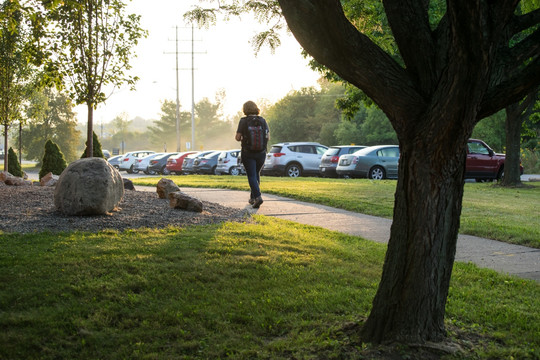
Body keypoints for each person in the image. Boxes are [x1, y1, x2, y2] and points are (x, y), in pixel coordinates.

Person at [235, 101, 270, 208]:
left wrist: (244, 138)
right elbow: (268, 136)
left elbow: (237, 137)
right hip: (261, 153)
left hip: (248, 153)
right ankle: (253, 198)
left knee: (251, 175)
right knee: (256, 174)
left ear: (245, 109)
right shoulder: (262, 120)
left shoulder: (243, 121)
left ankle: (258, 197)